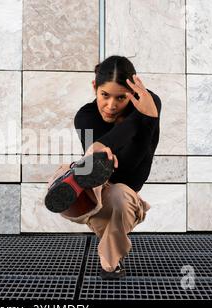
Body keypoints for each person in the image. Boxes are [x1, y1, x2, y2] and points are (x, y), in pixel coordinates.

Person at [45, 55, 161, 279]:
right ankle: (70, 179)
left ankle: (110, 262)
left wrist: (146, 120)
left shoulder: (150, 101)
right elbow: (102, 160)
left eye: (121, 98)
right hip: (96, 183)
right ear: (94, 87)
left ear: (133, 93)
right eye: (104, 95)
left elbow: (131, 171)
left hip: (123, 185)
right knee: (96, 179)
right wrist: (144, 117)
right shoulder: (85, 117)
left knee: (120, 197)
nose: (111, 105)